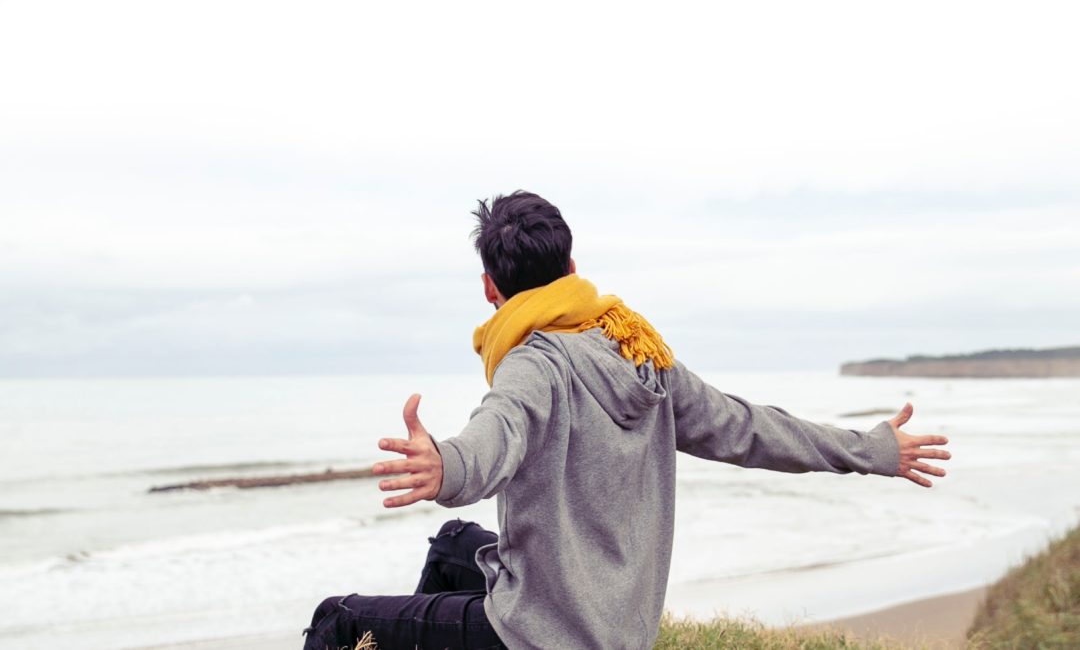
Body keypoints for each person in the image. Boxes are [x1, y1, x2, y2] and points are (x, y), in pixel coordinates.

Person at [302, 191, 951, 650]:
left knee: (337, 618)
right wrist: (874, 447)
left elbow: (495, 434)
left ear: (489, 288)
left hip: (544, 635)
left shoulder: (533, 364)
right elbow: (750, 427)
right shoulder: (642, 353)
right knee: (451, 545)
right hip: (621, 629)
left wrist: (449, 464)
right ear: (573, 269)